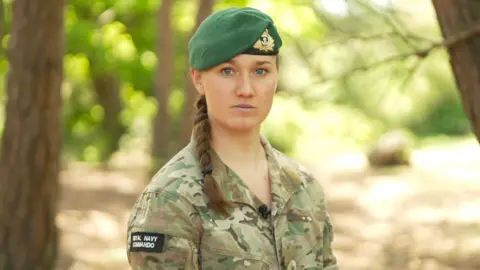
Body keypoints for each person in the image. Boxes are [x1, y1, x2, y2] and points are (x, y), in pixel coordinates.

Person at [126, 6, 339, 270]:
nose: (246, 89)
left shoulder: (305, 189)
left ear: (276, 77)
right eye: (227, 71)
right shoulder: (170, 199)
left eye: (260, 71)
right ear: (198, 79)